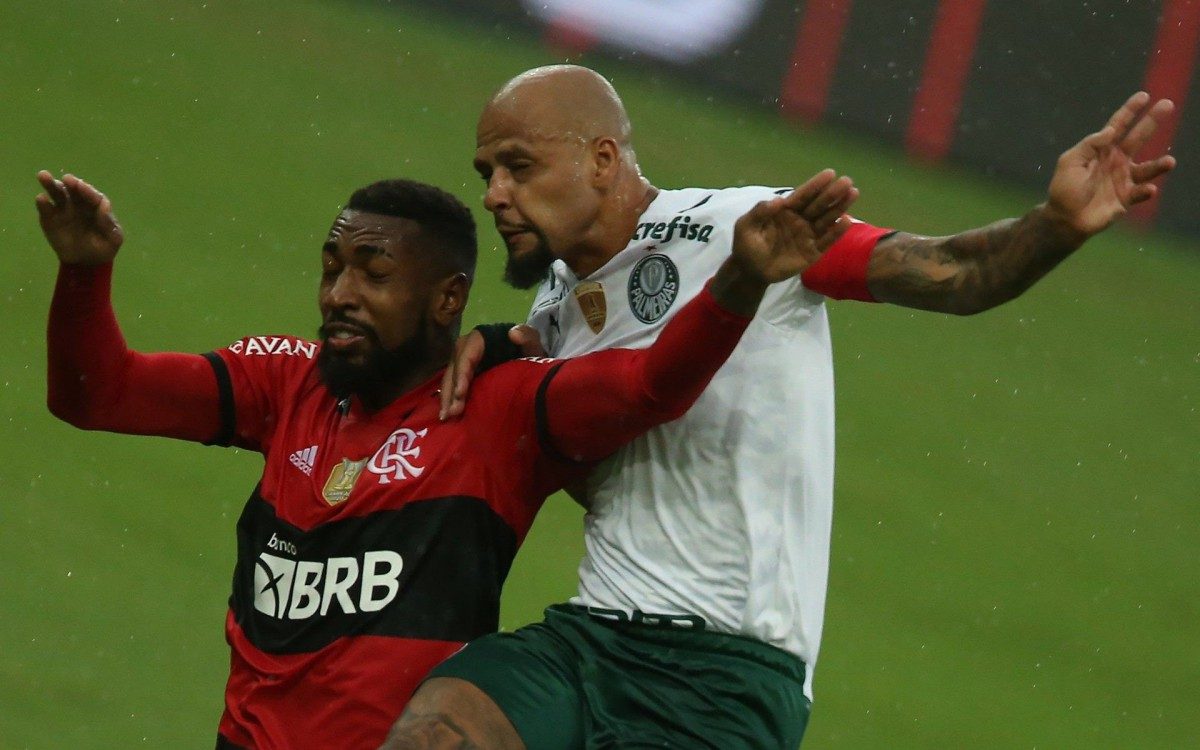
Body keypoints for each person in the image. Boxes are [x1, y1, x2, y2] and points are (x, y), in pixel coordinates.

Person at [382, 66, 1178, 749]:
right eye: (487, 171)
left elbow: (951, 271)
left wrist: (1055, 226)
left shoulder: (745, 229)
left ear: (601, 158)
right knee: (439, 727)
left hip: (727, 674)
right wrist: (497, 341)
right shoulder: (558, 299)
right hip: (593, 635)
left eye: (518, 167)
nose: (494, 195)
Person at [38, 165, 855, 749]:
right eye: (331, 269)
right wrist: (85, 272)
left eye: (373, 272)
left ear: (446, 299)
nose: (339, 295)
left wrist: (740, 283)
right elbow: (98, 395)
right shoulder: (282, 382)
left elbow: (648, 387)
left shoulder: (498, 412)